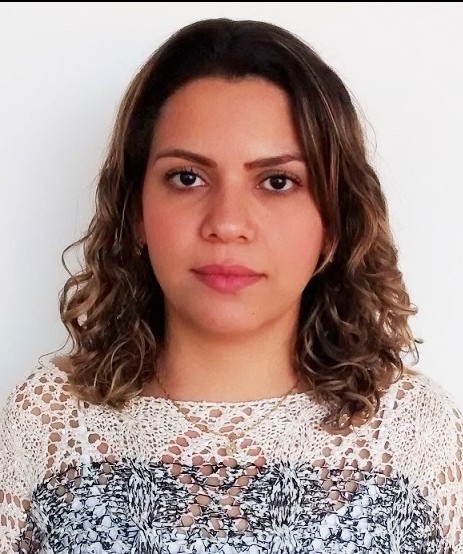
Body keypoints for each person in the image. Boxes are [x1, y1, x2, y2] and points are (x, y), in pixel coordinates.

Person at [1, 17, 462, 554]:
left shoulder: (413, 434)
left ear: (335, 222)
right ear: (135, 211)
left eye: (277, 181)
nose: (226, 223)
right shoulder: (49, 421)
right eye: (187, 177)